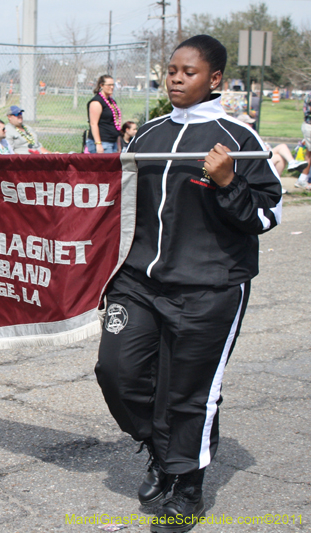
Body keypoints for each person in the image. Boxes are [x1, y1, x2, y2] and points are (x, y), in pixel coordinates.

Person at [94, 35, 281, 532]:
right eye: (171, 69)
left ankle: (187, 488)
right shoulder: (147, 134)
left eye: (188, 71)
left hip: (210, 288)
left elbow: (265, 214)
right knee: (117, 371)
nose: (175, 78)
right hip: (137, 282)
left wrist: (228, 182)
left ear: (214, 79)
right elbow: (116, 206)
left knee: (190, 392)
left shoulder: (240, 140)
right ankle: (161, 448)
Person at [236, 113, 305, 186]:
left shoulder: (250, 133)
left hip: (262, 156)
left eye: (251, 123)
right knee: (281, 148)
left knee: (280, 156)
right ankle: (291, 163)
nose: (251, 125)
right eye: (248, 123)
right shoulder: (242, 134)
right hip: (254, 160)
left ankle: (277, 183)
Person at [87, 74, 121, 153]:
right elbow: (93, 124)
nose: (112, 87)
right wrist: (98, 144)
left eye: (113, 85)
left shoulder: (111, 101)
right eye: (109, 85)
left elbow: (116, 123)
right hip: (102, 142)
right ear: (101, 85)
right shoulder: (96, 102)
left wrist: (118, 144)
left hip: (112, 141)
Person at [296, 92, 311, 187]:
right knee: (309, 154)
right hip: (310, 126)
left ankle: (305, 177)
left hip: (307, 125)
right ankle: (302, 179)